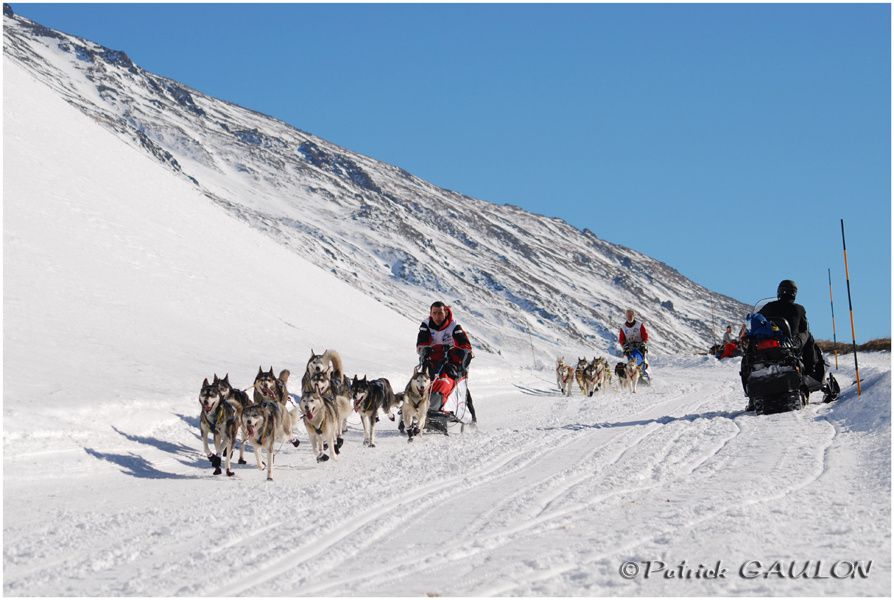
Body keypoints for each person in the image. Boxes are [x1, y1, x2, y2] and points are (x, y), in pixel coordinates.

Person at [415, 301, 476, 423]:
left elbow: (465, 345)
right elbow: (421, 343)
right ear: (431, 313)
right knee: (425, 383)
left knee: (459, 385)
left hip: (452, 361)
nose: (437, 317)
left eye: (440, 313)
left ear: (446, 312)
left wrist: (459, 352)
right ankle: (417, 407)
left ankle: (471, 418)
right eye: (434, 313)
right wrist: (425, 350)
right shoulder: (426, 325)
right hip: (432, 359)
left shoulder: (454, 326)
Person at [618, 308, 649, 376]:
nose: (629, 317)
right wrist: (624, 345)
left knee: (642, 360)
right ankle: (631, 375)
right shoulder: (623, 327)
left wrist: (644, 342)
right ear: (626, 316)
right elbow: (621, 339)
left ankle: (644, 373)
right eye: (628, 316)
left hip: (640, 346)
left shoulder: (639, 325)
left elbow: (645, 335)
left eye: (631, 315)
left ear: (634, 316)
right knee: (630, 362)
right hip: (629, 347)